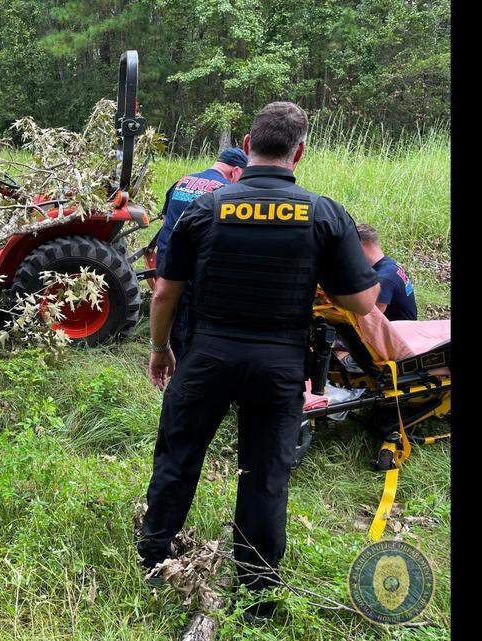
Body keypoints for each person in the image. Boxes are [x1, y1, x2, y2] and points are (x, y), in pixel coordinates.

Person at [137, 102, 380, 622]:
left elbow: (163, 295)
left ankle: (154, 561)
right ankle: (258, 599)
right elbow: (362, 303)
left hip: (207, 357)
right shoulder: (323, 213)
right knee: (265, 475)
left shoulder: (205, 209)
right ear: (300, 150)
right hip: (279, 365)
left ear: (247, 144)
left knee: (178, 458)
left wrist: (160, 349)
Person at [155, 147, 248, 359]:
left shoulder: (182, 181)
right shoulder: (226, 192)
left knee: (168, 309)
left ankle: (164, 345)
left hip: (165, 263)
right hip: (192, 270)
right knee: (186, 325)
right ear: (235, 171)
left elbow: (166, 220)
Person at [356, 223, 418, 321]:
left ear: (360, 246)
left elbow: (371, 320)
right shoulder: (388, 265)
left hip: (399, 332)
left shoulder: (384, 278)